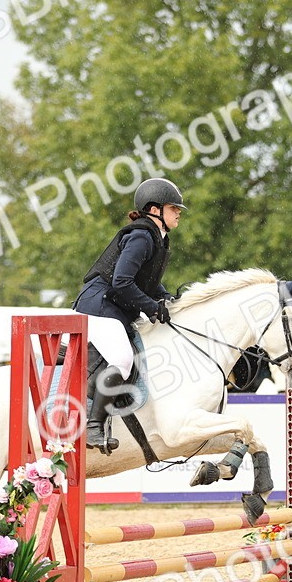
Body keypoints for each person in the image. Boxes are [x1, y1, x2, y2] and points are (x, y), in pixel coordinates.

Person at [72, 177, 185, 453]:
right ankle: (94, 427)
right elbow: (122, 281)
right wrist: (150, 306)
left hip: (114, 309)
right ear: (155, 209)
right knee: (122, 358)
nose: (179, 212)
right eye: (174, 208)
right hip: (98, 307)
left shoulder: (158, 238)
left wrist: (164, 297)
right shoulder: (141, 236)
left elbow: (145, 281)